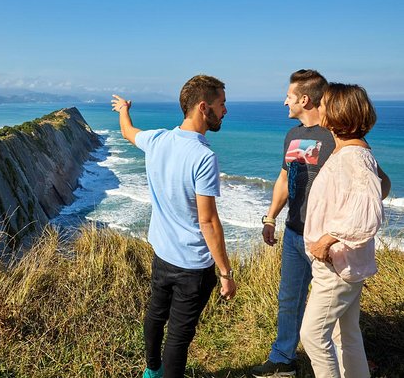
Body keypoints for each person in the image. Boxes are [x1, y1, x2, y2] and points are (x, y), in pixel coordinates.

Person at [252, 71, 391, 377]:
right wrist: (271, 217)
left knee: (315, 334)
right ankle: (283, 358)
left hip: (331, 253)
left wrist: (330, 236)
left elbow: (373, 198)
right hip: (300, 236)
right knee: (340, 328)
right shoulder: (302, 138)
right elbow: (285, 177)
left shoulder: (350, 149)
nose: (285, 100)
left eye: (289, 95)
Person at [112, 74, 236, 378]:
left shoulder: (157, 139)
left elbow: (128, 132)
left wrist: (123, 110)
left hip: (162, 254)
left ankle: (151, 370)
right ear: (203, 108)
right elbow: (208, 221)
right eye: (222, 104)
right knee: (179, 336)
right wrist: (225, 273)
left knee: (155, 314)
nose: (225, 111)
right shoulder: (204, 156)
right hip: (192, 265)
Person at [300, 83, 386, 377]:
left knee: (312, 335)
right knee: (344, 334)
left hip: (337, 264)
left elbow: (368, 211)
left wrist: (327, 239)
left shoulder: (353, 157)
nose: (318, 107)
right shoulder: (353, 153)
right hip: (343, 263)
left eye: (323, 104)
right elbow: (381, 187)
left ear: (338, 112)